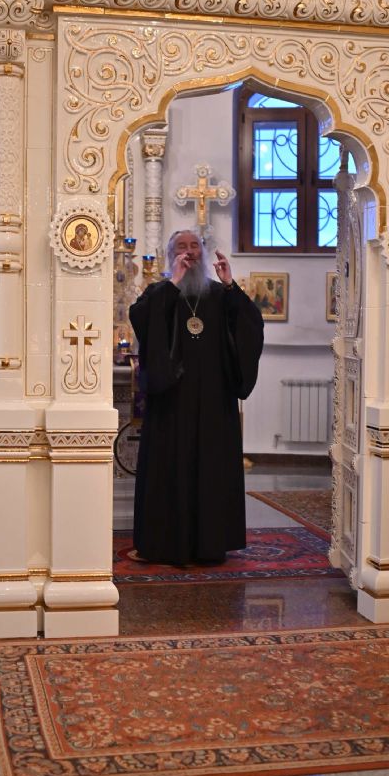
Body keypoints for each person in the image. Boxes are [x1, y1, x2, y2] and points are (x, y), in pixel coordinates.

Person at [129, 229, 264, 566]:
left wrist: (231, 285)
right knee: (170, 468)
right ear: (170, 254)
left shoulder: (219, 294)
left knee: (210, 470)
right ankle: (165, 543)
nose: (189, 252)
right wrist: (173, 282)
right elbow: (140, 317)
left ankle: (210, 543)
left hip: (214, 401)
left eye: (194, 246)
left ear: (203, 253)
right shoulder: (161, 292)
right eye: (181, 247)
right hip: (172, 402)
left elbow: (249, 324)